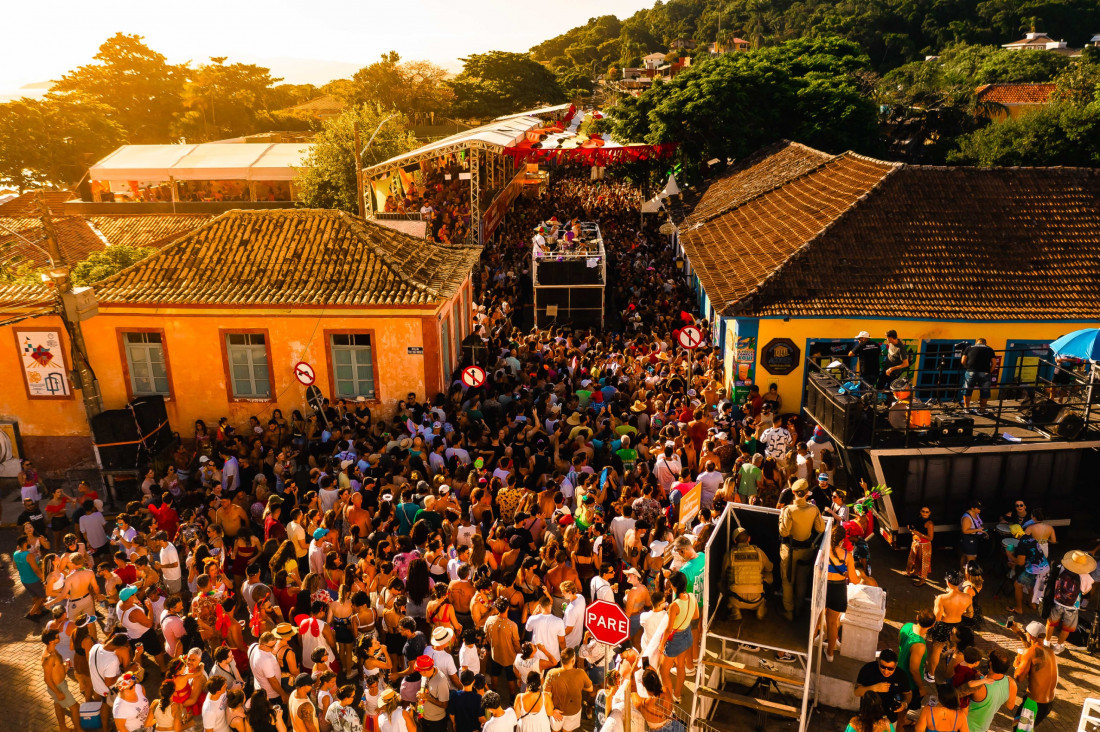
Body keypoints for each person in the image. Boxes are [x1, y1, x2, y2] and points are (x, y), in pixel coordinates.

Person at [778, 479, 824, 622]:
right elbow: (821, 529)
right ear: (806, 494)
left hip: (790, 550)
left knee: (787, 582)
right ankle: (799, 608)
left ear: (793, 492)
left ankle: (789, 611)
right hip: (806, 550)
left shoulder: (788, 510)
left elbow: (784, 532)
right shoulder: (814, 509)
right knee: (802, 581)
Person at [925, 570, 972, 683]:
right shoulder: (968, 597)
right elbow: (970, 613)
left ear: (949, 583)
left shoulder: (942, 598)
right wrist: (959, 612)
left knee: (936, 650)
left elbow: (937, 617)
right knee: (953, 649)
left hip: (943, 625)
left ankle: (931, 675)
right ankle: (949, 673)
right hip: (957, 626)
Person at [1045, 549, 1095, 653]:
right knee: (1067, 627)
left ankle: (1046, 642)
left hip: (1057, 600)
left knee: (1051, 623)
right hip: (1072, 605)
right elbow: (1085, 591)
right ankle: (1058, 646)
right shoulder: (1085, 576)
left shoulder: (1062, 567)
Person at [1012, 621, 1057, 727]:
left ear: (1031, 636)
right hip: (1048, 704)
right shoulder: (1050, 652)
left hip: (1033, 704)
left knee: (1018, 729)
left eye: (1026, 633)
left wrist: (1017, 665)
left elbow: (1019, 678)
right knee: (1026, 728)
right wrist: (1017, 631)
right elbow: (1032, 648)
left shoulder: (1030, 652)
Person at [721, 527, 772, 620]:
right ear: (749, 539)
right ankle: (761, 606)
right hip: (757, 599)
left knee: (723, 580)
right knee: (769, 575)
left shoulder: (729, 555)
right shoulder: (759, 552)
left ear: (735, 541)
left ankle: (734, 609)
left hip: (735, 599)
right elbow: (770, 567)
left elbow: (723, 576)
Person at [854, 650, 910, 731]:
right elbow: (857, 692)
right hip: (868, 718)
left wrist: (904, 704)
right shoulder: (868, 669)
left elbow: (908, 694)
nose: (886, 671)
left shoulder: (901, 675)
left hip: (890, 719)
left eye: (890, 668)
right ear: (878, 662)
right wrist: (874, 688)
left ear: (896, 665)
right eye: (883, 667)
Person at [964, 648, 1017, 732]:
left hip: (965, 727)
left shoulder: (979, 684)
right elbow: (1010, 706)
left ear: (990, 663)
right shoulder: (1011, 682)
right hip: (984, 727)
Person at [824, 524, 855, 662]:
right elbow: (854, 579)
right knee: (832, 623)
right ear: (843, 539)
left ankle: (809, 652)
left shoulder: (823, 551)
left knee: (817, 622)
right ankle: (830, 653)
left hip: (823, 588)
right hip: (838, 590)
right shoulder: (847, 556)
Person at [42, 628, 82, 732]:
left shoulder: (53, 649)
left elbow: (56, 668)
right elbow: (47, 679)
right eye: (57, 637)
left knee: (58, 705)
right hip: (57, 687)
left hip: (60, 684)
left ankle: (63, 728)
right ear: (51, 641)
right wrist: (58, 692)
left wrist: (64, 667)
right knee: (75, 707)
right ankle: (78, 729)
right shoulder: (49, 657)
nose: (59, 638)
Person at [544, 648, 592, 732]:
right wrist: (579, 685)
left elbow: (545, 694)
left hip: (556, 711)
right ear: (573, 660)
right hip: (573, 711)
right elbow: (590, 688)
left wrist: (552, 710)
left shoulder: (551, 673)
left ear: (561, 660)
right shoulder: (581, 673)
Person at [897, 610, 933, 705]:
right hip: (909, 682)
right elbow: (914, 670)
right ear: (932, 625)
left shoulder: (906, 626)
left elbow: (900, 642)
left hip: (898, 671)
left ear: (917, 617)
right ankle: (902, 719)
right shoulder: (919, 645)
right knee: (905, 705)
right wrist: (921, 687)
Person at [416, 654, 449, 732]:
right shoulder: (425, 674)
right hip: (424, 718)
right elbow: (423, 687)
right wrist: (421, 692)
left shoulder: (441, 681)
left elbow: (445, 704)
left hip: (436, 722)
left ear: (425, 671)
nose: (419, 673)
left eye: (419, 671)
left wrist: (427, 698)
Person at [961, 338, 995, 412]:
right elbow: (994, 363)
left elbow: (963, 360)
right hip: (985, 372)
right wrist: (989, 371)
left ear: (977, 342)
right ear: (985, 343)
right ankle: (982, 410)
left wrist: (968, 368)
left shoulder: (969, 348)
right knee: (984, 391)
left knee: (967, 390)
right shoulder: (989, 349)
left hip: (971, 371)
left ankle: (966, 408)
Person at [906, 507, 934, 586]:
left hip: (924, 545)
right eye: (923, 511)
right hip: (917, 542)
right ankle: (915, 573)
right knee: (916, 559)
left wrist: (919, 534)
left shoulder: (929, 523)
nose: (925, 513)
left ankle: (923, 580)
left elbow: (930, 538)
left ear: (929, 513)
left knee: (923, 562)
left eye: (927, 512)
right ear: (920, 512)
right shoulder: (919, 519)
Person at [958, 501, 985, 570]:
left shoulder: (976, 513)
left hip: (974, 539)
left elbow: (979, 524)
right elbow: (964, 530)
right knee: (971, 561)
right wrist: (977, 530)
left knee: (965, 555)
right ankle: (969, 576)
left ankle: (962, 573)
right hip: (969, 540)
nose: (980, 510)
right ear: (972, 508)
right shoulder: (967, 518)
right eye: (978, 508)